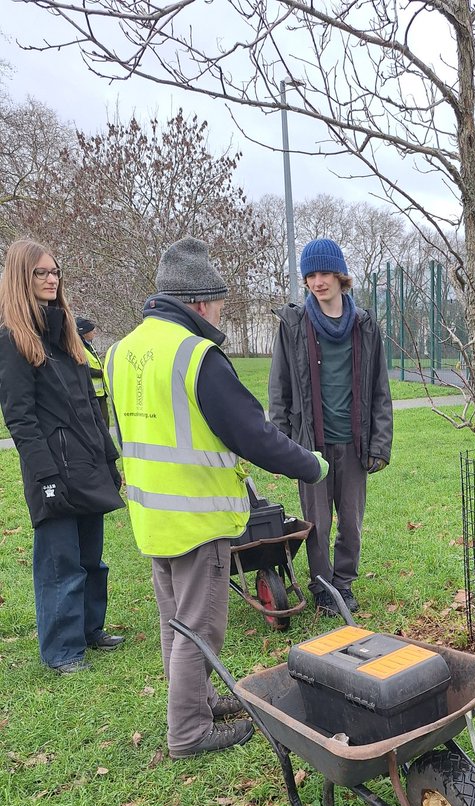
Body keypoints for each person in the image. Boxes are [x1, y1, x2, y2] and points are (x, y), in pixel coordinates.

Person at [106, 237, 328, 760]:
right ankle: (188, 732)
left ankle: (198, 701)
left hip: (151, 518)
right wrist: (311, 464)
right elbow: (255, 436)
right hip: (197, 520)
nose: (222, 312)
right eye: (221, 303)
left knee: (175, 622)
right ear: (200, 302)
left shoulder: (121, 351)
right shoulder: (196, 356)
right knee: (199, 628)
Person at [0, 239, 125, 674]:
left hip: (88, 465)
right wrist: (45, 476)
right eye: (40, 273)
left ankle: (90, 631)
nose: (51, 279)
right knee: (60, 564)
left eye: (54, 272)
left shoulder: (68, 333)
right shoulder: (14, 340)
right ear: (21, 278)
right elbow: (20, 418)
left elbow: (92, 406)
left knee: (92, 558)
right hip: (52, 470)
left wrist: (110, 458)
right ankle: (61, 651)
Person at [268, 238, 392, 615]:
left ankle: (344, 583)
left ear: (340, 277)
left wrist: (380, 443)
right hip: (310, 446)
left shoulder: (365, 326)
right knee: (317, 524)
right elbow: (280, 390)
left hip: (355, 445)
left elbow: (379, 390)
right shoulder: (293, 325)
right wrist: (285, 446)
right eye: (310, 275)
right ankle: (323, 588)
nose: (317, 282)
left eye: (324, 273)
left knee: (351, 522)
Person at [76, 316, 110, 426]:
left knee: (105, 423)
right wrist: (101, 372)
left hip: (100, 394)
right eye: (91, 330)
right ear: (84, 333)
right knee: (98, 424)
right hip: (91, 394)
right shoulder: (79, 348)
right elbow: (82, 369)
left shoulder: (89, 346)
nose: (94, 333)